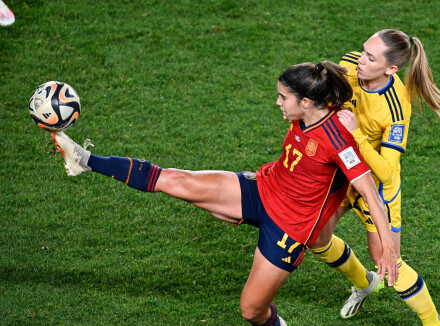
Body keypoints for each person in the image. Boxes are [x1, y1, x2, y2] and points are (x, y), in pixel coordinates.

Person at [50, 61, 399, 326]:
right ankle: (85, 159)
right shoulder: (308, 110)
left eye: (283, 97)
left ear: (307, 103)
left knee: (251, 310)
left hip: (288, 230)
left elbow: (370, 192)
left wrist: (385, 248)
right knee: (175, 180)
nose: (277, 102)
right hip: (263, 187)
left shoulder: (338, 137)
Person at [309, 29, 440, 325]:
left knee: (389, 263)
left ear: (391, 68)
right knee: (315, 236)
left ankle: (434, 322)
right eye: (363, 50)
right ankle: (364, 283)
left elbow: (387, 171)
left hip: (376, 188)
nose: (360, 60)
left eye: (370, 57)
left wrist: (355, 134)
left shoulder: (396, 106)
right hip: (341, 176)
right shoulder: (349, 65)